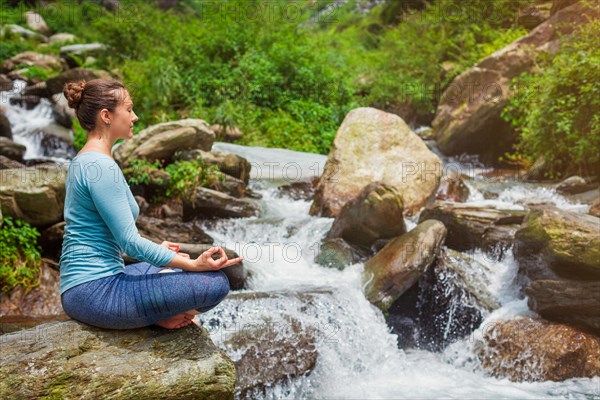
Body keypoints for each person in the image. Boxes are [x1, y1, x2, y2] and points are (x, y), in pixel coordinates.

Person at [59, 78, 242, 330]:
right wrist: (192, 264)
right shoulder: (100, 167)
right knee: (216, 283)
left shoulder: (85, 160)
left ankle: (162, 313)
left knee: (173, 264)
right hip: (97, 293)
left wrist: (162, 254)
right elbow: (131, 243)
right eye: (129, 109)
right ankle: (163, 316)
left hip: (86, 288)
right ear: (106, 116)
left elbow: (110, 237)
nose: (135, 117)